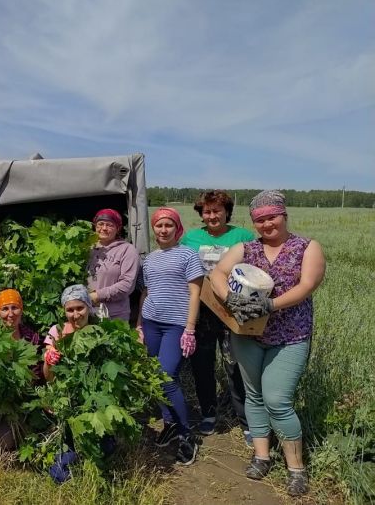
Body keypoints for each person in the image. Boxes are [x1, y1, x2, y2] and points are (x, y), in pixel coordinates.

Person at [211, 190, 325, 497]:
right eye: (259, 220)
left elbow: (307, 285)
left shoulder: (306, 247)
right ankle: (261, 456)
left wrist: (269, 306)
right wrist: (230, 298)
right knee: (254, 394)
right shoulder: (245, 248)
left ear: (284, 216)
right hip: (247, 334)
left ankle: (296, 468)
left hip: (290, 336)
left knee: (277, 399)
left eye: (272, 217)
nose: (266, 224)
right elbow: (217, 274)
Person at [180, 190, 254, 441]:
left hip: (232, 310)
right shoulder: (190, 238)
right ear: (201, 214)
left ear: (226, 212)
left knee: (236, 365)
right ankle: (208, 414)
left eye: (217, 211)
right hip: (201, 312)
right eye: (207, 211)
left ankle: (246, 421)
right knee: (202, 365)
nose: (212, 216)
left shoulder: (242, 236)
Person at [135, 207, 204, 466]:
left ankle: (187, 435)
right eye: (159, 226)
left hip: (176, 324)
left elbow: (196, 293)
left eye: (168, 225)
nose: (163, 230)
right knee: (154, 375)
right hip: (151, 322)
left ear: (177, 228)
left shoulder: (188, 255)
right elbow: (146, 293)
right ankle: (170, 423)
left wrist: (189, 328)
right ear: (154, 229)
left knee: (166, 376)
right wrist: (139, 324)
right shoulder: (150, 259)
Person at [42, 285, 115, 483]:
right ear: (64, 311)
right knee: (60, 471)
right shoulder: (56, 332)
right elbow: (48, 377)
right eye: (70, 310)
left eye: (80, 308)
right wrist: (49, 360)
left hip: (95, 401)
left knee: (107, 449)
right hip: (70, 402)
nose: (75, 314)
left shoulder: (101, 330)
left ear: (89, 307)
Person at [0, 289, 44, 465]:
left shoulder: (31, 338)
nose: (10, 314)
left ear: (22, 310)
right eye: (5, 309)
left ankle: (0, 448)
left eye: (15, 308)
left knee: (4, 441)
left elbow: (36, 374)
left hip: (16, 402)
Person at [87, 208, 139, 321]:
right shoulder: (86, 249)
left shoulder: (127, 250)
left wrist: (98, 295)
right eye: (100, 224)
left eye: (110, 225)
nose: (104, 228)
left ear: (118, 228)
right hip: (86, 313)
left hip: (114, 315)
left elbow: (127, 285)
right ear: (95, 226)